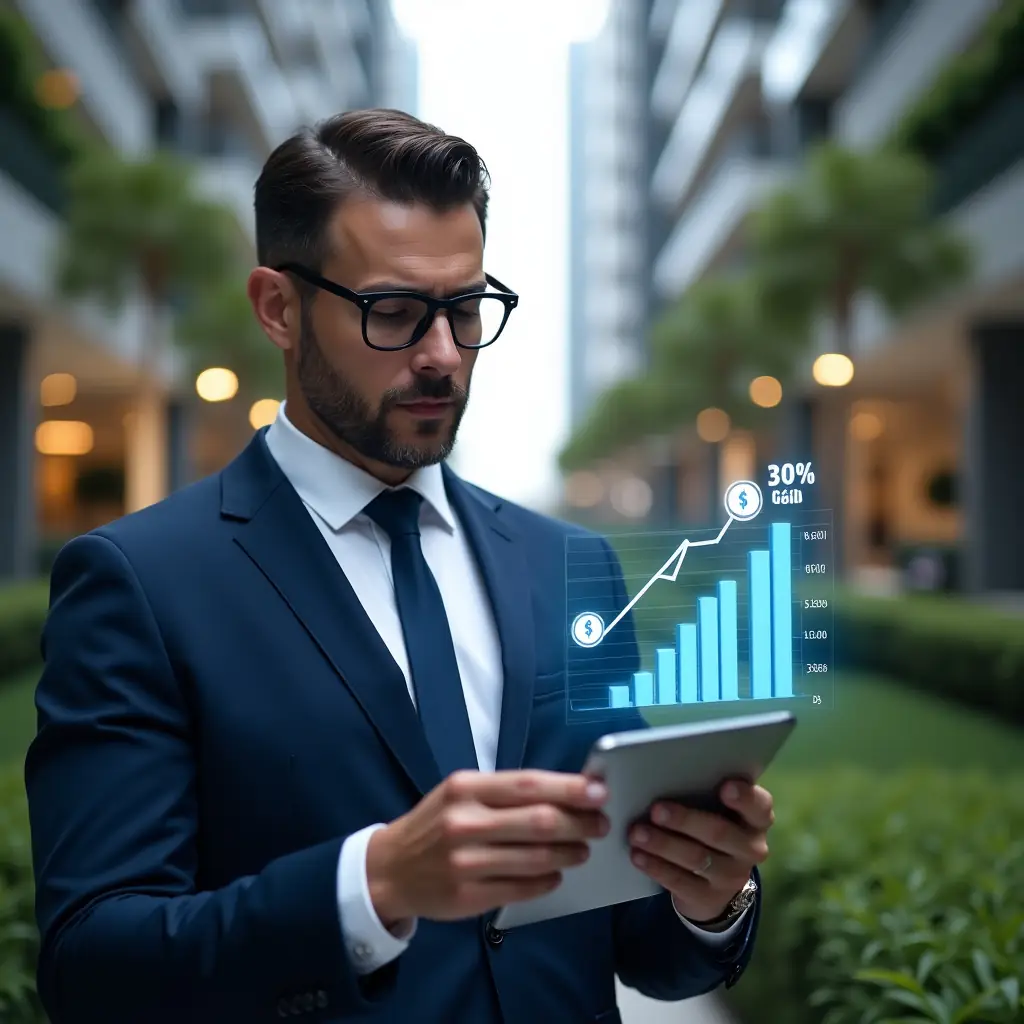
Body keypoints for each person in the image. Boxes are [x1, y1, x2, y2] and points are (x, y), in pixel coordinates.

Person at [25, 109, 774, 1024]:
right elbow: (92, 966)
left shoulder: (569, 563)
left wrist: (707, 895)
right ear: (278, 308)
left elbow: (636, 944)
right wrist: (371, 886)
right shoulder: (140, 584)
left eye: (466, 309)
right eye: (393, 313)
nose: (443, 356)